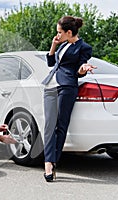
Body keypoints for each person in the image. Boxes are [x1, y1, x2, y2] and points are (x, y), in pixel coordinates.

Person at [41, 16, 96, 182]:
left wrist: (83, 69)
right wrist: (54, 45)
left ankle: (50, 163)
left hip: (67, 87)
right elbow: (51, 63)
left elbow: (80, 69)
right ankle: (50, 159)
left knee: (61, 125)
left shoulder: (84, 47)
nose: (57, 35)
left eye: (59, 32)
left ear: (69, 32)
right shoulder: (62, 44)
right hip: (50, 85)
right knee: (49, 125)